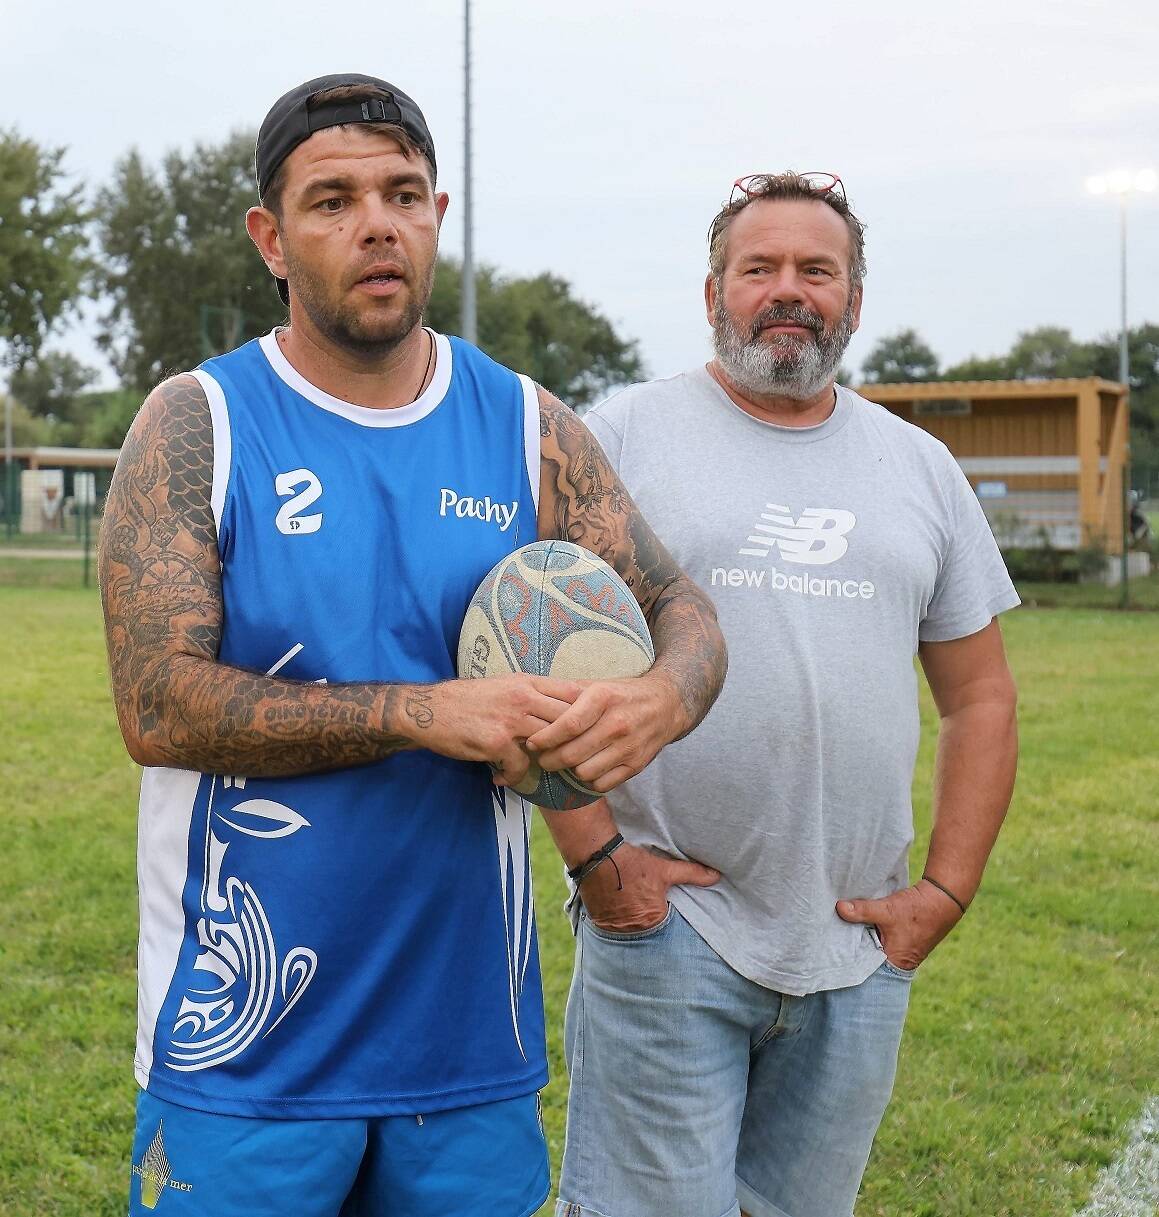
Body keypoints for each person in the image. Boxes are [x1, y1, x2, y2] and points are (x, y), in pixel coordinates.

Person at [98, 73, 725, 1217]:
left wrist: (662, 700)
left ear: (439, 212)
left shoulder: (528, 426)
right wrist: (421, 712)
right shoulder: (201, 421)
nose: (376, 222)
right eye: (331, 199)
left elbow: (682, 608)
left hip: (466, 1045)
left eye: (402, 193)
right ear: (271, 239)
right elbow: (158, 705)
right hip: (245, 1049)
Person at [542, 172, 1020, 1217]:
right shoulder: (618, 436)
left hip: (857, 948)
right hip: (670, 930)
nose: (787, 290)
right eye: (759, 267)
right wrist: (599, 858)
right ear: (713, 290)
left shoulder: (920, 467)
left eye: (817, 268)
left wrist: (941, 893)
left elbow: (979, 698)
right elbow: (529, 655)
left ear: (854, 297)